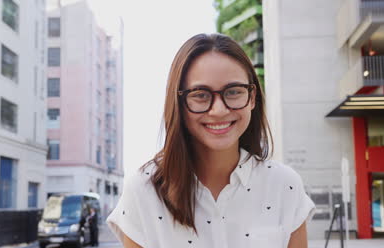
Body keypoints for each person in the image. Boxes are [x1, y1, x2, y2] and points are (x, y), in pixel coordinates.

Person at [107, 33, 315, 248]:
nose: (219, 110)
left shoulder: (284, 185)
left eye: (233, 91)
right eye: (200, 94)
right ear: (179, 102)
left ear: (252, 97)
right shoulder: (143, 189)